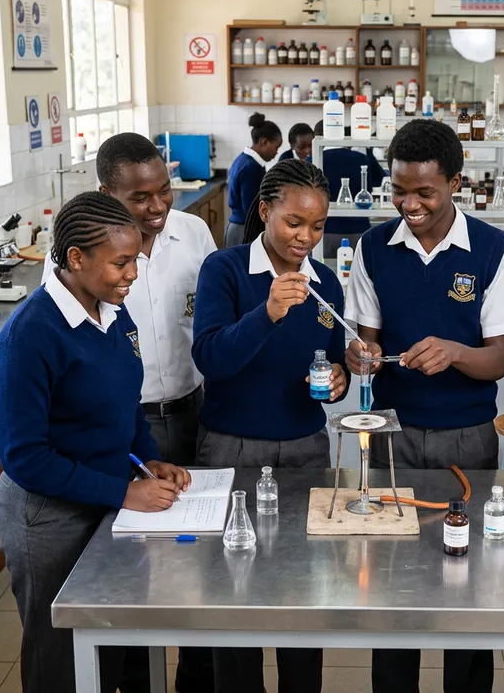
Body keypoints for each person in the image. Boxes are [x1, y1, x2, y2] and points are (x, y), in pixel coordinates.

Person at [344, 119, 504, 693]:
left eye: (424, 192)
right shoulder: (375, 247)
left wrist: (454, 352)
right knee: (390, 581)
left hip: (466, 438)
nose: (409, 204)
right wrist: (361, 356)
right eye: (399, 190)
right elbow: (366, 340)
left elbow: (498, 362)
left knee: (464, 582)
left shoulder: (494, 252)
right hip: (391, 436)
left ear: (455, 182)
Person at [0, 192, 191, 693]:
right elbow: (25, 458)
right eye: (121, 263)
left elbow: (126, 403)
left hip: (109, 500)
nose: (132, 275)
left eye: (136, 261)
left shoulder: (112, 311)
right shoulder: (31, 335)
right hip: (48, 515)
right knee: (60, 653)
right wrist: (124, 493)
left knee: (120, 640)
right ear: (76, 259)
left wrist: (148, 459)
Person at [42, 133, 217, 693]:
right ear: (106, 194)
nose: (159, 206)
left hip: (185, 412)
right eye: (141, 198)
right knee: (124, 575)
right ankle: (133, 675)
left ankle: (193, 675)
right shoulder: (80, 271)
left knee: (196, 558)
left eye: (164, 191)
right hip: (118, 432)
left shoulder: (193, 234)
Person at [191, 158, 349, 693]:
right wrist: (267, 312)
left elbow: (327, 363)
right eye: (294, 223)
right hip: (232, 449)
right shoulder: (226, 269)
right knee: (234, 590)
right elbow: (211, 357)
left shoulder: (326, 284)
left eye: (318, 225)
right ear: (264, 211)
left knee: (303, 588)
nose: (306, 237)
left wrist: (342, 378)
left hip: (305, 447)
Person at [314, 118, 387, 258]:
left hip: (324, 234)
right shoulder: (361, 158)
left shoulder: (312, 161)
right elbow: (381, 182)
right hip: (359, 232)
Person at [225, 113, 282, 247]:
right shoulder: (251, 168)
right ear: (264, 142)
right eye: (276, 147)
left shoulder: (243, 160)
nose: (276, 153)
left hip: (238, 227)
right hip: (243, 230)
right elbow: (251, 209)